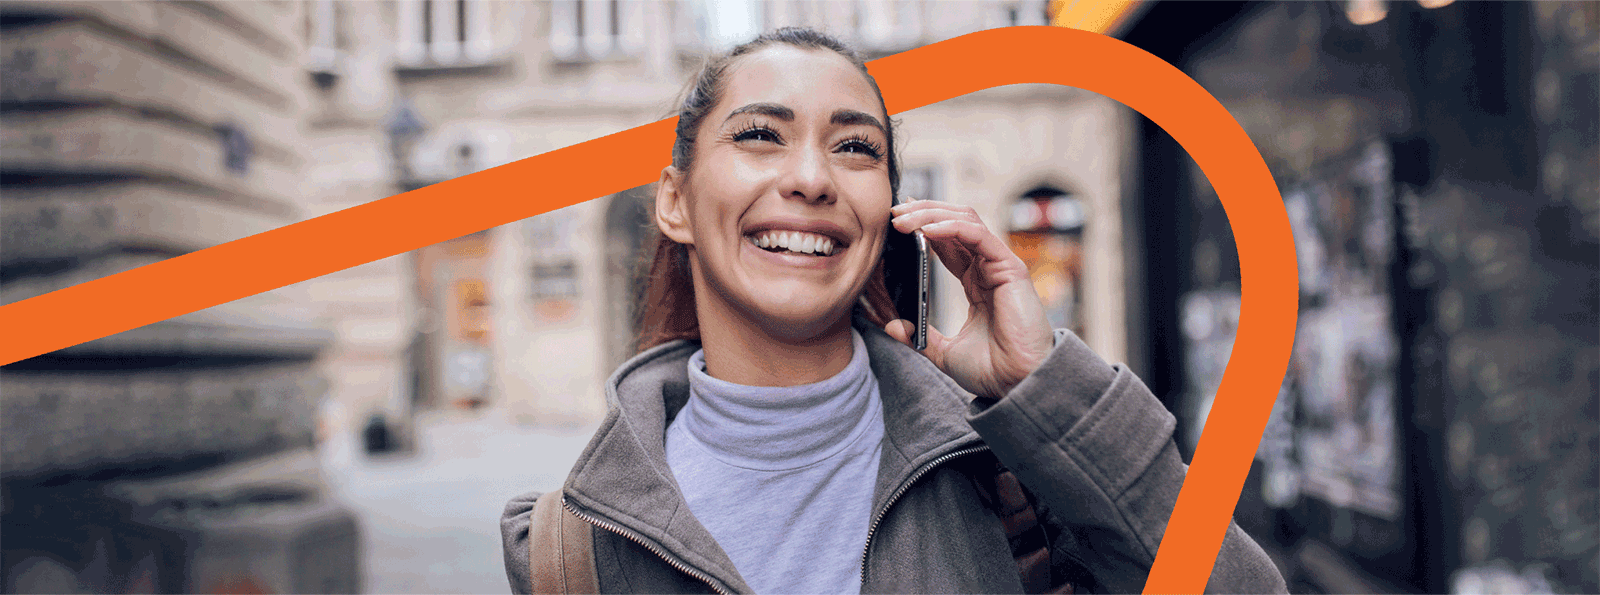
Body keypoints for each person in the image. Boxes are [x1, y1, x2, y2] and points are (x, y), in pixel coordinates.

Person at [501, 27, 1287, 595]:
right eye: (760, 136)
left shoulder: (1015, 473)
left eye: (855, 148)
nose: (811, 177)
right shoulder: (576, 545)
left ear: (889, 211)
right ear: (674, 202)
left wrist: (1046, 391)